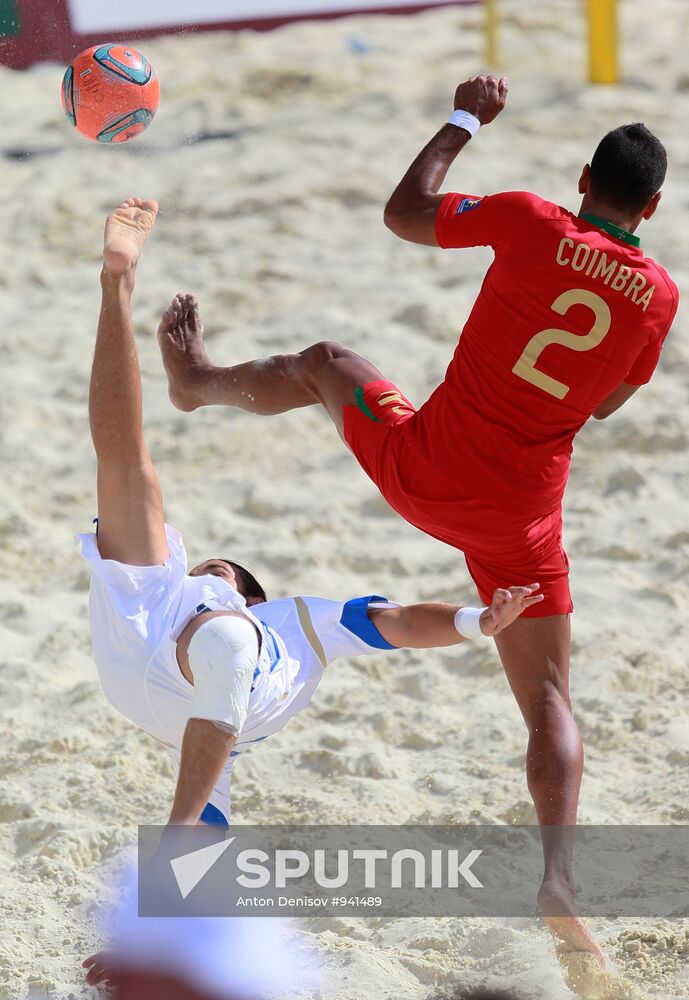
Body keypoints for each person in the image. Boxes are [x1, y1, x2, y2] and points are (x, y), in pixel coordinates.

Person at [154, 78, 678, 964]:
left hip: (424, 468)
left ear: (582, 176)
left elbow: (405, 213)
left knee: (328, 362)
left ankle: (196, 385)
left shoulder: (529, 218)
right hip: (519, 521)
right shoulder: (659, 295)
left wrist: (464, 118)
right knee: (549, 700)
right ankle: (558, 875)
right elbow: (609, 408)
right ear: (653, 207)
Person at [80, 197, 541, 835]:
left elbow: (400, 623)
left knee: (227, 642)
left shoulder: (282, 622)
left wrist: (478, 622)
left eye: (225, 570)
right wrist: (474, 619)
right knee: (126, 463)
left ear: (245, 592)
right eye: (219, 567)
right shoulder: (243, 608)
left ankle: (177, 832)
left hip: (171, 674)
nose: (218, 566)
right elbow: (396, 620)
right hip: (160, 642)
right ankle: (116, 285)